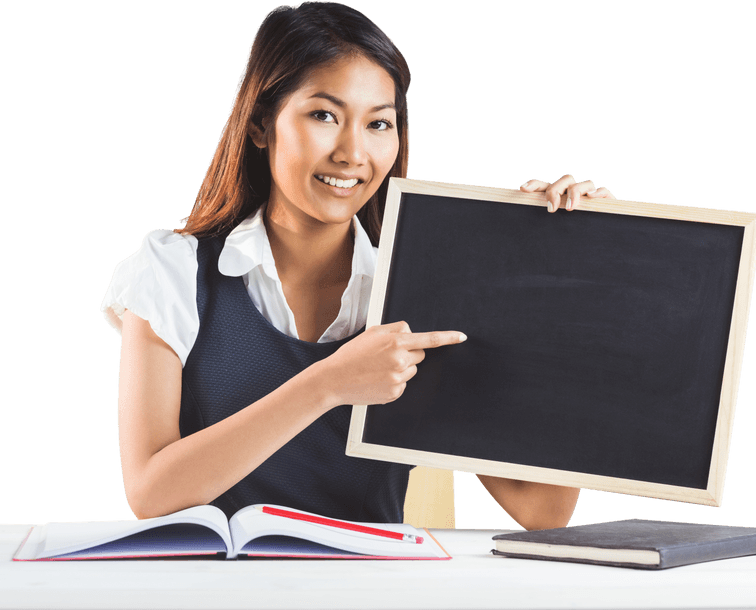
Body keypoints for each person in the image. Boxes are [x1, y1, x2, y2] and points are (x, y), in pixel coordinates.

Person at [100, 2, 612, 530]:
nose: (353, 152)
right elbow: (151, 492)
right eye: (324, 115)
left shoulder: (425, 285)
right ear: (260, 124)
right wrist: (328, 385)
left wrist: (563, 279)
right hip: (211, 587)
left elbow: (543, 509)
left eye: (378, 124)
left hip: (369, 591)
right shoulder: (173, 270)